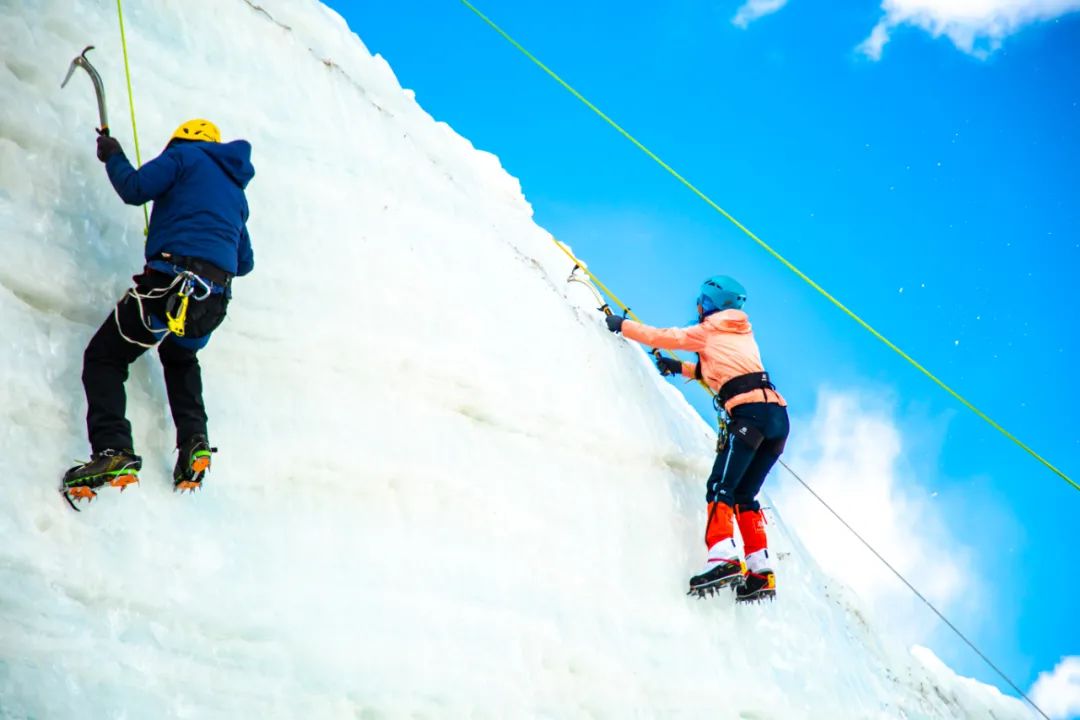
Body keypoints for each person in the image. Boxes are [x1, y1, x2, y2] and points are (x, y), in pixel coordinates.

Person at [61, 119, 255, 506]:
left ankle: (112, 450)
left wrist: (112, 154)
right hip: (212, 302)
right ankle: (193, 445)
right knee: (181, 356)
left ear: (181, 140)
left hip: (170, 287)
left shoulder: (183, 157)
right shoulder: (236, 192)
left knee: (104, 357)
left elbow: (134, 189)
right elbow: (244, 262)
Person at [605, 275, 788, 602]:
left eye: (701, 301)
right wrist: (679, 368)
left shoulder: (709, 328)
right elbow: (720, 370)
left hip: (750, 415)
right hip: (776, 418)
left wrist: (623, 326)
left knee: (721, 487)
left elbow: (666, 336)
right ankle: (760, 571)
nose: (698, 306)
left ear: (710, 304)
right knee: (745, 494)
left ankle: (723, 556)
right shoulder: (741, 332)